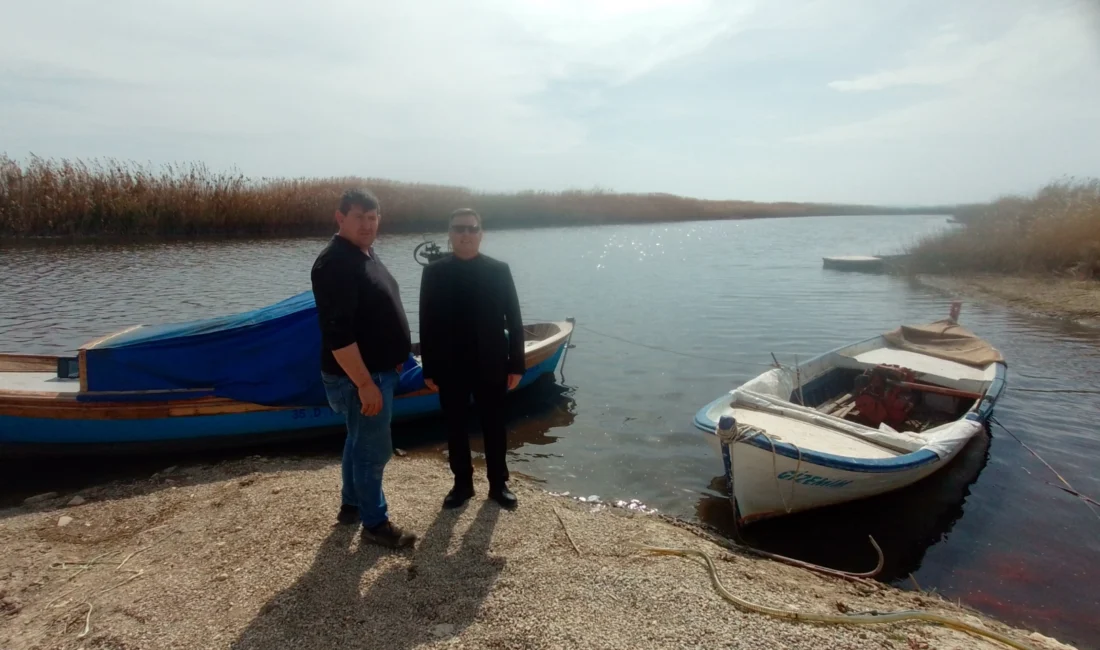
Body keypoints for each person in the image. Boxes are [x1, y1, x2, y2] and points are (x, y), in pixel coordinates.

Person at [311, 188, 416, 549]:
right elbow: (339, 335)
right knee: (373, 449)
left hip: (375, 371)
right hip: (360, 377)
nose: (368, 225)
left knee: (357, 439)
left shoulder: (363, 254)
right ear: (340, 218)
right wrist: (365, 384)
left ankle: (352, 505)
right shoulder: (335, 264)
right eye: (359, 217)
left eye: (373, 218)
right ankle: (375, 524)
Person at [419, 208, 525, 510]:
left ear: (481, 233)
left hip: (491, 361)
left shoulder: (498, 270)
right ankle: (462, 484)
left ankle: (498, 484)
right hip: (450, 364)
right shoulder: (434, 272)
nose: (465, 234)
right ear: (450, 234)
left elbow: (514, 319)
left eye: (471, 228)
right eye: (459, 229)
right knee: (455, 426)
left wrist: (516, 363)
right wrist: (429, 367)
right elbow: (426, 322)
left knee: (494, 424)